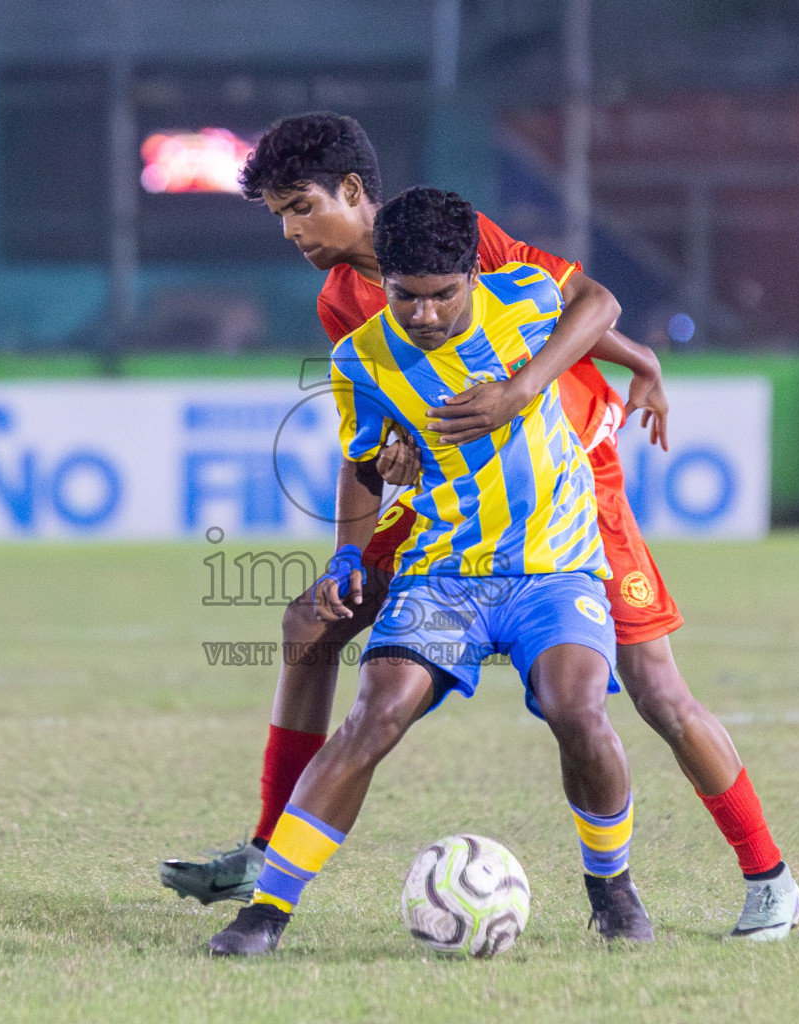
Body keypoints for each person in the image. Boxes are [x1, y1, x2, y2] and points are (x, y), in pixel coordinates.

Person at [162, 112, 799, 941]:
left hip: (570, 476)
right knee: (314, 616)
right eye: (279, 215)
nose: (290, 231)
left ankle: (768, 875)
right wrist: (361, 528)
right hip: (461, 491)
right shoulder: (341, 310)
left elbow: (578, 305)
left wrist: (605, 368)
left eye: (300, 207)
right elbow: (376, 435)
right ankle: (269, 850)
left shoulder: (459, 238)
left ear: (354, 194)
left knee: (652, 689)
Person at [210, 187, 650, 956]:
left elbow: (600, 303)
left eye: (442, 295)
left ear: (471, 279)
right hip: (444, 570)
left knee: (577, 708)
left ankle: (611, 887)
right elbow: (364, 466)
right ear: (386, 285)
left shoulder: (527, 299)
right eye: (406, 296)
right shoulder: (361, 359)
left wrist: (522, 387)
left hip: (555, 565)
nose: (423, 314)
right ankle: (266, 913)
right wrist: (349, 550)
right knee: (374, 714)